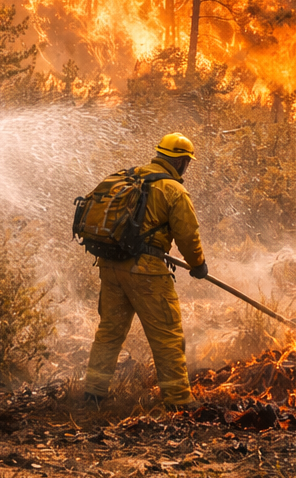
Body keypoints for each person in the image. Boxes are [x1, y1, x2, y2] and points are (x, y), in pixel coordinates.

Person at [83, 133, 208, 410]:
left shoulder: (128, 177)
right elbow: (187, 235)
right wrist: (198, 265)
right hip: (146, 273)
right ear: (181, 162)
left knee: (109, 332)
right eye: (186, 162)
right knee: (167, 334)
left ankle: (93, 394)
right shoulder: (173, 190)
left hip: (110, 265)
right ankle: (178, 401)